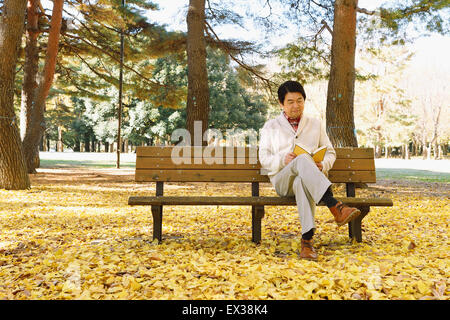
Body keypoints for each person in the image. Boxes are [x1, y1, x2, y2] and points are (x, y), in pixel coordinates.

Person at [258, 80, 361, 261]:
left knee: (301, 179)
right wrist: (283, 160)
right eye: (290, 101)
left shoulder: (315, 124)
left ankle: (307, 242)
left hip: (306, 181)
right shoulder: (270, 127)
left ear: (304, 101)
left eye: (300, 100)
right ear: (281, 104)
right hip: (283, 182)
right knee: (302, 160)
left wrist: (322, 165)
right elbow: (264, 158)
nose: (296, 105)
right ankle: (334, 205)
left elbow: (330, 152)